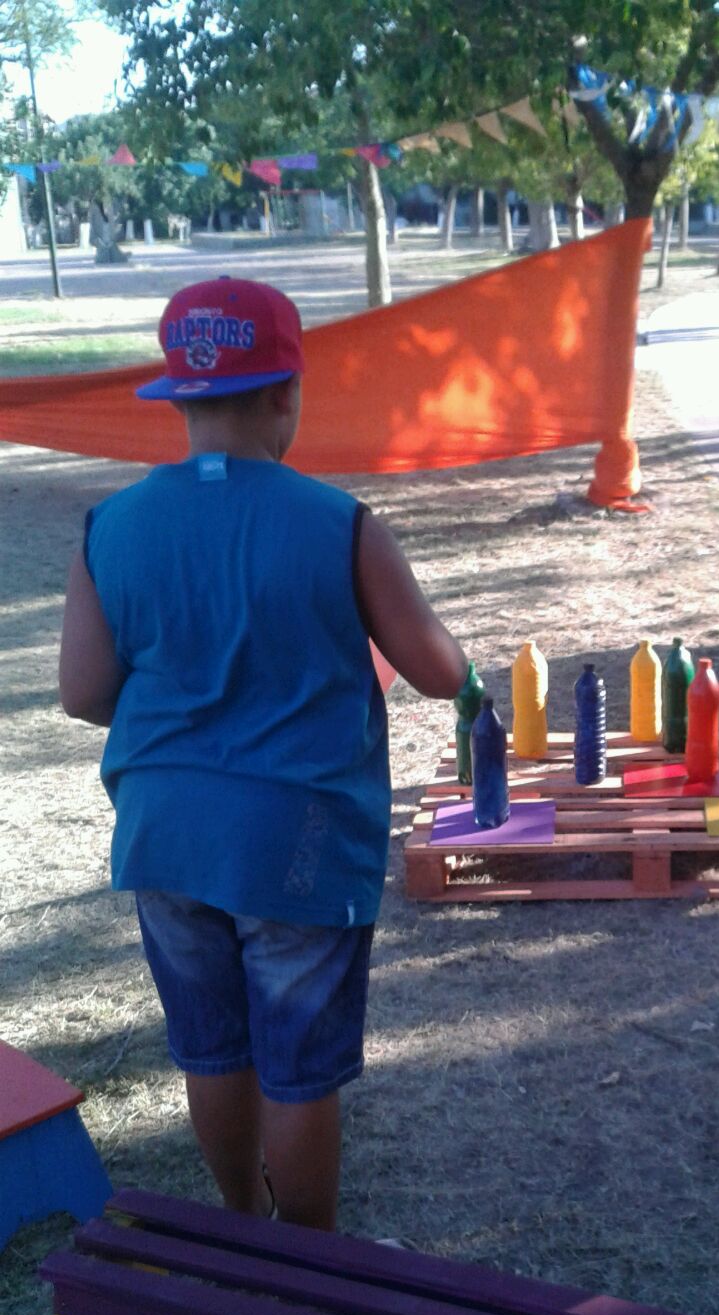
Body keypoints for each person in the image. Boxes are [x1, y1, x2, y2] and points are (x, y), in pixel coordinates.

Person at [59, 277, 468, 1231]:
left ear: (179, 398)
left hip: (165, 833)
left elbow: (83, 694)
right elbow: (441, 672)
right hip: (299, 838)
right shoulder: (341, 523)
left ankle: (241, 1216)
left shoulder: (108, 527)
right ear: (287, 392)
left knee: (213, 1048)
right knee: (298, 1069)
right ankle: (307, 1251)